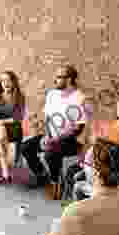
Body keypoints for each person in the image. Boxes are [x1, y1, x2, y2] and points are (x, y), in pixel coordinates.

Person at [20, 65, 88, 199]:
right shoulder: (52, 94)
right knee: (26, 147)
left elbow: (78, 129)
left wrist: (56, 139)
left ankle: (55, 182)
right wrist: (47, 136)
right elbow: (47, 118)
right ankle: (41, 175)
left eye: (59, 77)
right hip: (51, 136)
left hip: (70, 141)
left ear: (69, 79)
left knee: (50, 154)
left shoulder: (80, 98)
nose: (55, 80)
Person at [72, 89, 119, 200]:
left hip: (108, 171)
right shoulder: (118, 124)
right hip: (98, 166)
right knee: (75, 174)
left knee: (77, 181)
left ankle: (88, 210)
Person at [0, 70, 27, 188]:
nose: (5, 83)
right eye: (2, 80)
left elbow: (18, 118)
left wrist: (1, 122)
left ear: (14, 82)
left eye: (8, 80)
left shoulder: (19, 97)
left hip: (13, 129)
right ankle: (1, 172)